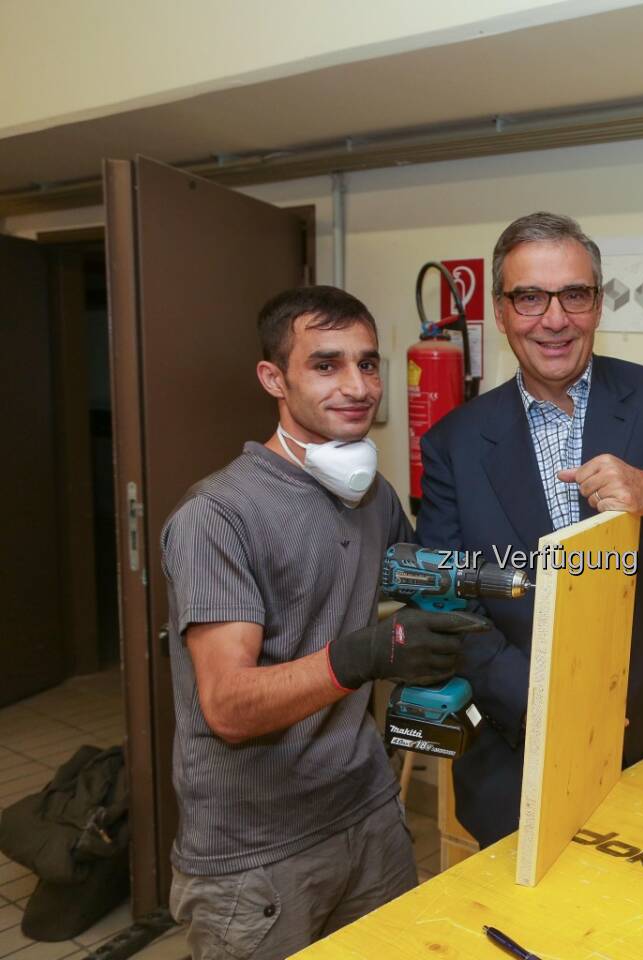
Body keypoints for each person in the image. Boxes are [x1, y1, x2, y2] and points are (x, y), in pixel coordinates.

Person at [160, 286, 485, 959]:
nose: (358, 386)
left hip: (366, 815)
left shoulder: (371, 495)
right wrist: (361, 657)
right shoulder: (217, 516)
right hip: (256, 857)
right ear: (273, 378)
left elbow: (427, 582)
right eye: (327, 365)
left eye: (368, 365)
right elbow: (227, 705)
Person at [417, 211, 643, 847]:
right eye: (530, 297)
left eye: (576, 294)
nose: (555, 318)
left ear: (598, 303)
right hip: (520, 756)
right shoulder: (454, 444)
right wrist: (548, 700)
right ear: (503, 310)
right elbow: (448, 605)